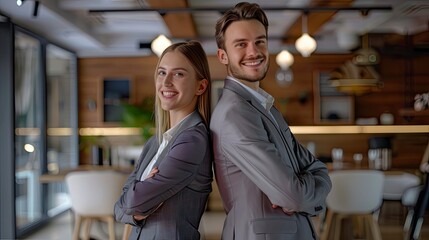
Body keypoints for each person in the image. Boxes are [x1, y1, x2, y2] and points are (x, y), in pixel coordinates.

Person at [210, 2, 332, 240]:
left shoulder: (265, 107)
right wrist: (303, 189)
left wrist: (302, 186)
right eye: (241, 45)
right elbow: (292, 196)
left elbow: (318, 169)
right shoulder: (236, 113)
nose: (253, 52)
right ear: (223, 55)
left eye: (260, 41)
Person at [114, 40, 213, 240]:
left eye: (178, 74)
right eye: (162, 72)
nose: (166, 82)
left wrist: (134, 205)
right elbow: (119, 208)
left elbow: (131, 203)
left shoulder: (193, 141)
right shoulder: (155, 142)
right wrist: (134, 210)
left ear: (200, 86)